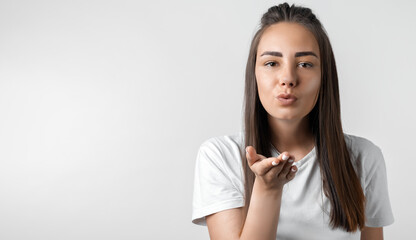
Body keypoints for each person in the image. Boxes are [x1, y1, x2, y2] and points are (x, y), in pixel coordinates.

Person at [191, 2, 394, 240]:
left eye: (305, 64)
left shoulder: (363, 157)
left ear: (323, 76)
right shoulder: (220, 156)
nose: (288, 78)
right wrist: (268, 189)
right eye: (271, 63)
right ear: (254, 74)